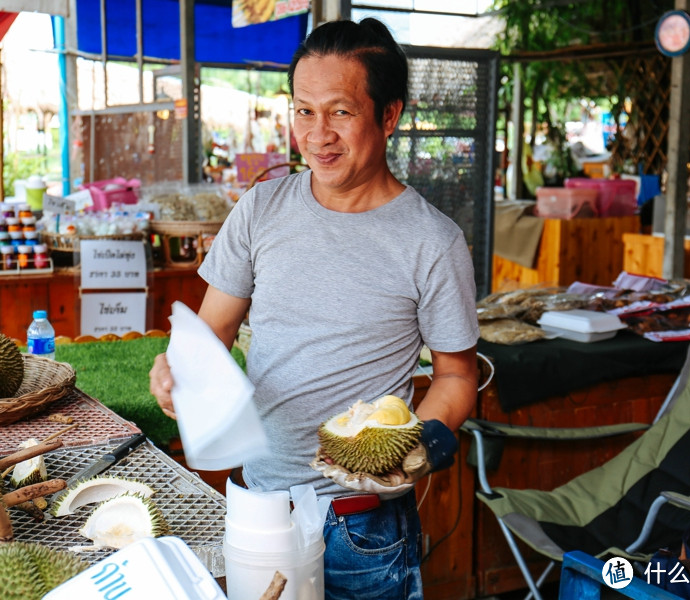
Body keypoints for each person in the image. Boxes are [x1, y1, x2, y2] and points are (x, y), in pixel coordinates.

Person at [149, 18, 479, 599]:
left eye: (340, 112)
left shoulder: (433, 240)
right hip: (260, 502)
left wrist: (429, 435)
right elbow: (210, 332)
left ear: (389, 116)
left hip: (362, 520)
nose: (317, 133)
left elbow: (456, 374)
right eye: (303, 111)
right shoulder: (262, 208)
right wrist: (178, 367)